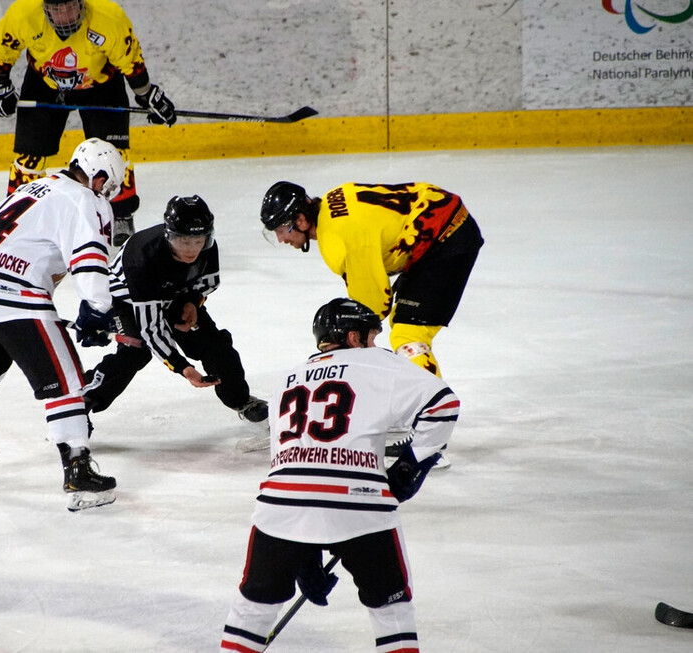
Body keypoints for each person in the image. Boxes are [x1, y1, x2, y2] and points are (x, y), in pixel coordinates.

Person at [220, 298, 459, 653]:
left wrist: (305, 550)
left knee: (252, 610)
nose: (375, 344)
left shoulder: (285, 377)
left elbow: (284, 455)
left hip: (281, 506)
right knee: (391, 611)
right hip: (360, 502)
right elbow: (443, 404)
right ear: (353, 337)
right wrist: (410, 466)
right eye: (371, 336)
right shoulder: (377, 362)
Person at [0, 137, 125, 513]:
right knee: (68, 382)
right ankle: (78, 471)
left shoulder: (36, 185)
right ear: (98, 176)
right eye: (107, 184)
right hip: (14, 295)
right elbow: (89, 260)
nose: (105, 192)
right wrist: (98, 308)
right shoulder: (85, 200)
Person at [0, 0, 177, 247]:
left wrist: (147, 94)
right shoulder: (23, 14)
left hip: (102, 84)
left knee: (114, 153)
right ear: (44, 8)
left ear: (82, 3)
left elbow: (131, 62)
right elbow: (1, 50)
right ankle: (16, 216)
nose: (65, 16)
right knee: (29, 156)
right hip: (44, 83)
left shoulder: (108, 18)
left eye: (70, 7)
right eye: (57, 9)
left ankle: (121, 215)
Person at [259, 180, 483, 380]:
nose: (281, 238)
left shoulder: (336, 243)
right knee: (404, 316)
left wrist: (346, 338)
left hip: (445, 238)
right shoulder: (333, 197)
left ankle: (431, 405)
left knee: (408, 332)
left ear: (301, 219)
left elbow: (373, 308)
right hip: (437, 213)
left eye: (282, 228)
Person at [83, 194, 269, 425]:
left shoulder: (208, 249)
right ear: (169, 236)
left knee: (215, 346)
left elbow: (208, 284)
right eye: (184, 241)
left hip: (176, 295)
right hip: (128, 301)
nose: (192, 249)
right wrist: (182, 367)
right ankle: (83, 399)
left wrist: (193, 302)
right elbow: (151, 328)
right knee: (136, 350)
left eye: (199, 240)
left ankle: (241, 400)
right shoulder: (142, 258)